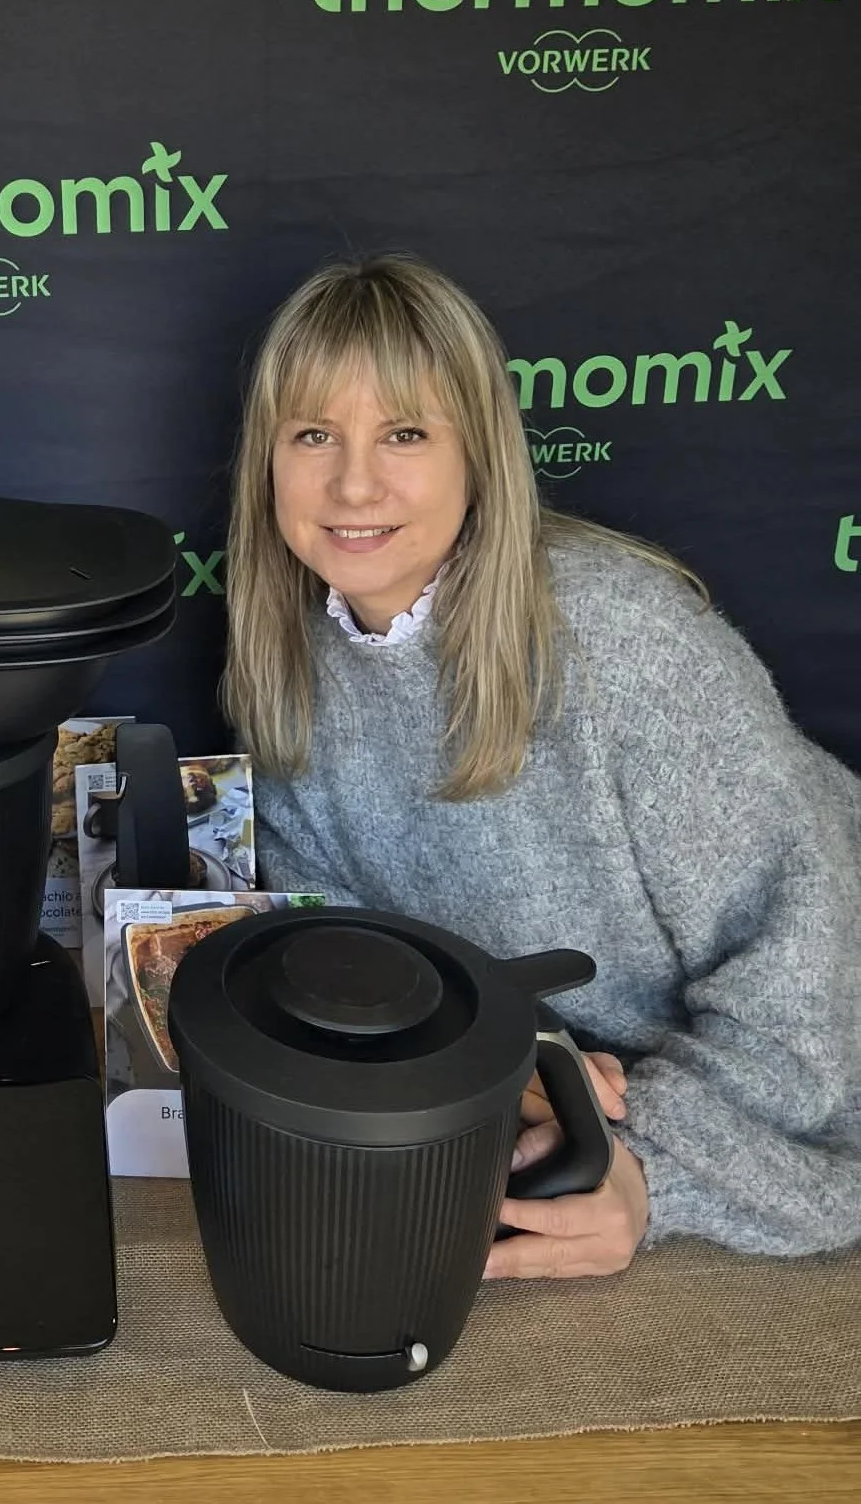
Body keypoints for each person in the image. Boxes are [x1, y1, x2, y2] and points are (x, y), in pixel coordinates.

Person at [225, 254, 861, 1279]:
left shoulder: (623, 639)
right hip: (573, 1079)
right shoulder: (289, 660)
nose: (352, 483)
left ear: (480, 452)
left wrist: (656, 1168)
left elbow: (814, 969)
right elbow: (361, 949)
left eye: (404, 434)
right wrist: (516, 1069)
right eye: (313, 435)